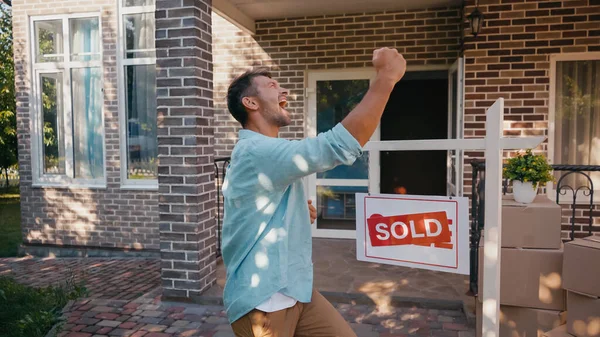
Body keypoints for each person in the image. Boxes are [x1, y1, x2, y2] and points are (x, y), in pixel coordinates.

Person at [222, 47, 407, 337]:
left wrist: (295, 212)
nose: (284, 91)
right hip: (263, 299)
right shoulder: (256, 150)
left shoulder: (265, 153)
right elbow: (336, 145)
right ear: (250, 102)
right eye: (272, 86)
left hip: (295, 288)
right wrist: (386, 78)